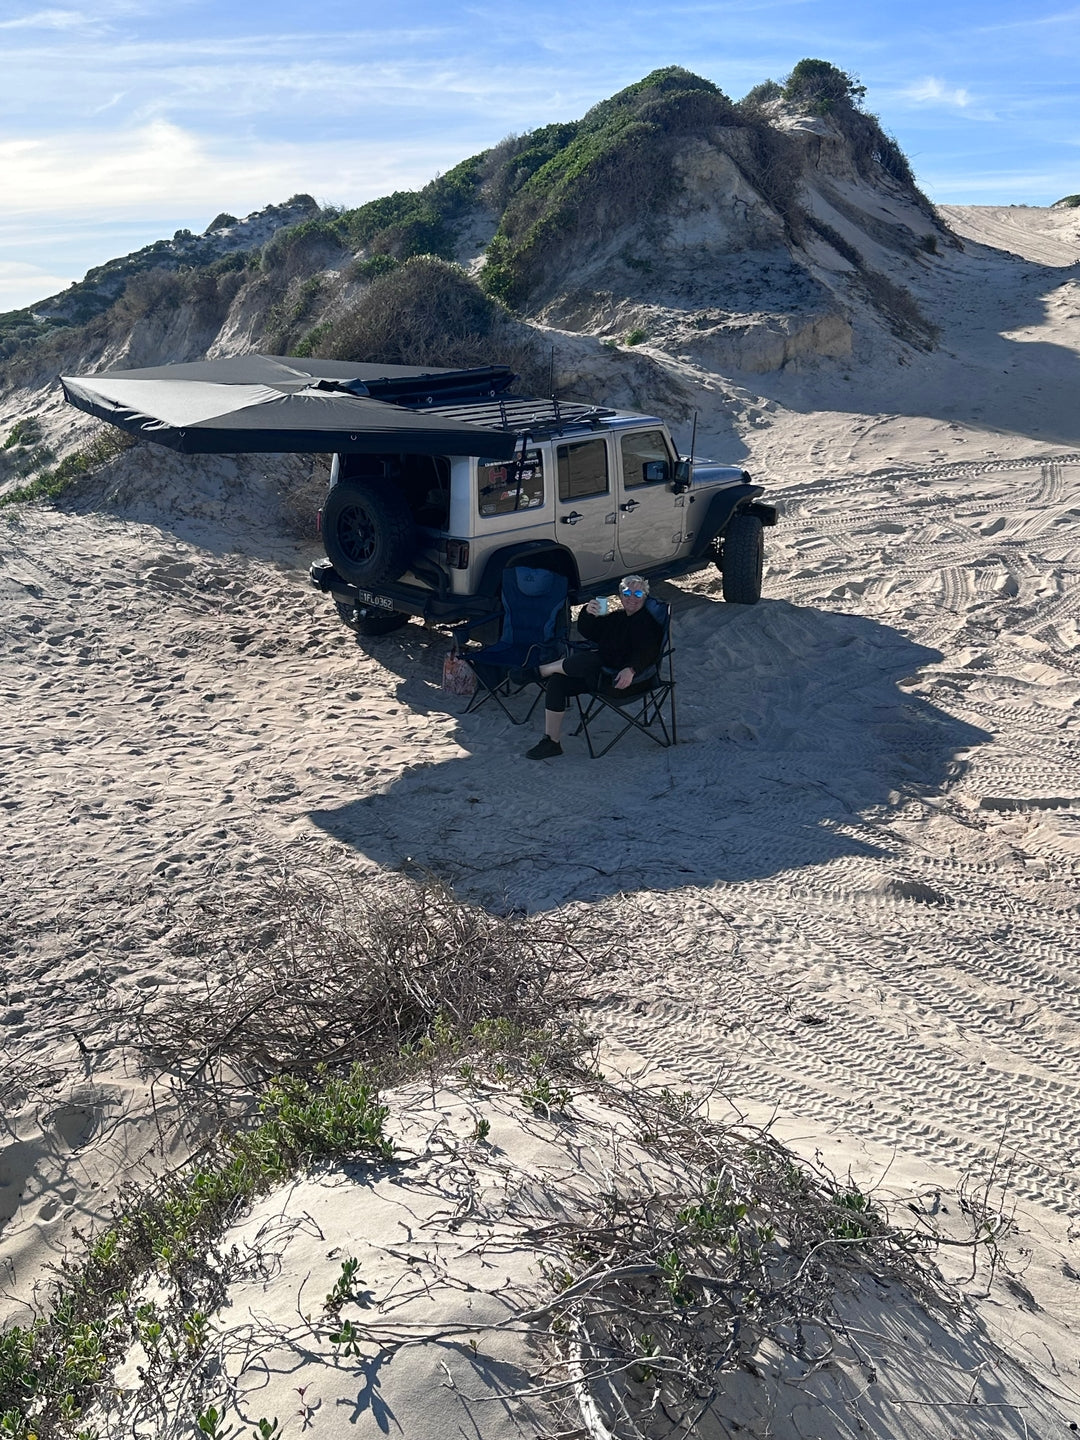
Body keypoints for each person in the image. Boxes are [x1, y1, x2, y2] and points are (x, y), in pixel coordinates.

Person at [526, 575, 663, 760]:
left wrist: (631, 669)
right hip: (601, 676)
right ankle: (552, 742)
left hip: (625, 682)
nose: (632, 597)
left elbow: (649, 651)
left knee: (591, 659)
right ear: (620, 596)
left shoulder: (647, 623)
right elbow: (591, 632)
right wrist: (588, 613)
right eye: (627, 593)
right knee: (558, 682)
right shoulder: (618, 617)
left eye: (638, 593)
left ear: (645, 596)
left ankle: (539, 671)